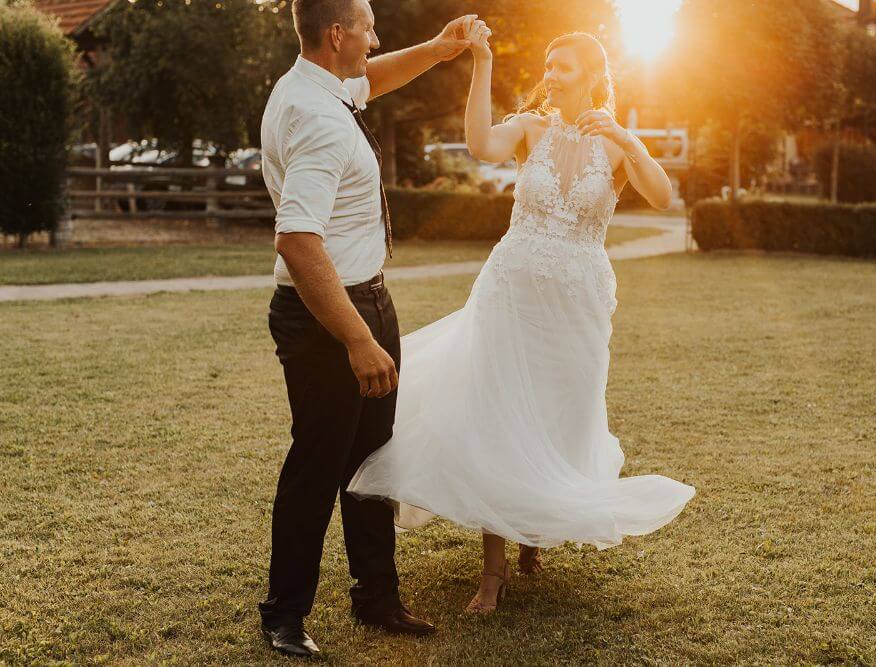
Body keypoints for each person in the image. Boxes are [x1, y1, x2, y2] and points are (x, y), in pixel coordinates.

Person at [348, 30, 696, 614]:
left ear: (592, 75)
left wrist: (626, 138)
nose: (551, 75)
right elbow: (480, 143)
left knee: (561, 413)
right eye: (548, 65)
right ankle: (493, 571)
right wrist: (482, 59)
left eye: (564, 67)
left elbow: (662, 196)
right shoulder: (531, 129)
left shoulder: (613, 145)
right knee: (500, 414)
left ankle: (533, 531)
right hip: (511, 293)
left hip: (578, 303)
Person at [257, 0, 487, 657]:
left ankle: (377, 596)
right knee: (318, 462)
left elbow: (373, 78)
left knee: (372, 458)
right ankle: (284, 614)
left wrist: (438, 49)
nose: (377, 39)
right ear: (338, 34)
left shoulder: (318, 85)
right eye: (368, 26)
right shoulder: (315, 117)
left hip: (369, 299)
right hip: (330, 318)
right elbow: (297, 241)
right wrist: (358, 338)